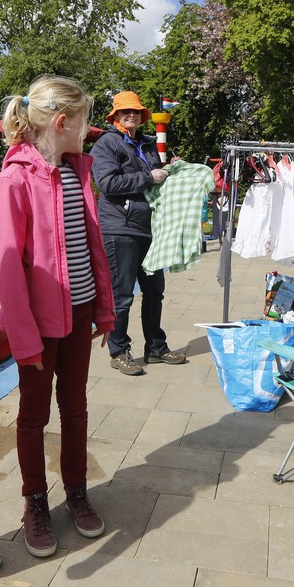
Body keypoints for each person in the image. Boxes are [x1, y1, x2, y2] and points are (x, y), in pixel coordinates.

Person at [0, 75, 116, 558]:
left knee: (75, 407)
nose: (89, 131)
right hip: (38, 324)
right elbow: (7, 270)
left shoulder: (77, 171)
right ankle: (35, 502)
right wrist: (24, 339)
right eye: (85, 122)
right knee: (34, 415)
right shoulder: (15, 180)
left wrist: (103, 310)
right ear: (62, 123)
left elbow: (91, 246)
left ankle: (76, 492)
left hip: (79, 313)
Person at [91, 90, 185, 376]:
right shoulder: (106, 143)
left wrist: (169, 171)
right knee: (122, 295)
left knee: (155, 292)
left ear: (142, 116)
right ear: (115, 116)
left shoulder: (147, 144)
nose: (131, 115)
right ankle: (119, 351)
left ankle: (156, 348)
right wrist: (148, 176)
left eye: (135, 111)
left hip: (149, 227)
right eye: (125, 111)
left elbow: (154, 182)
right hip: (119, 227)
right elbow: (107, 184)